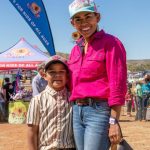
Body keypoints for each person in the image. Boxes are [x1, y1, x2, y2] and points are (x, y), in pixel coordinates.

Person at [68, 0, 127, 149]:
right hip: (76, 112)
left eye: (88, 17)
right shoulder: (75, 50)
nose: (84, 23)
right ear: (72, 23)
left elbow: (117, 84)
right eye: (78, 19)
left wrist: (114, 121)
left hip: (98, 112)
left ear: (97, 18)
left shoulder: (111, 43)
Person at [27, 55, 75, 150]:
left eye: (61, 72)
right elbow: (31, 132)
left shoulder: (74, 99)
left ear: (67, 76)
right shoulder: (37, 100)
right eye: (52, 72)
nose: (57, 75)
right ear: (44, 75)